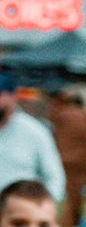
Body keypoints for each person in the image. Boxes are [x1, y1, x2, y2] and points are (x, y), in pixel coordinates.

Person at [0, 72, 66, 202]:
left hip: (18, 212)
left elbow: (54, 177)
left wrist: (41, 210)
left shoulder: (35, 132)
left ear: (13, 96)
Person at [47, 86, 86, 227]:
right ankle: (73, 224)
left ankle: (64, 225)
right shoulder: (85, 117)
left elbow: (50, 119)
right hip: (80, 160)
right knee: (76, 194)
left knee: (64, 194)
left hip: (61, 159)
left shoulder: (60, 114)